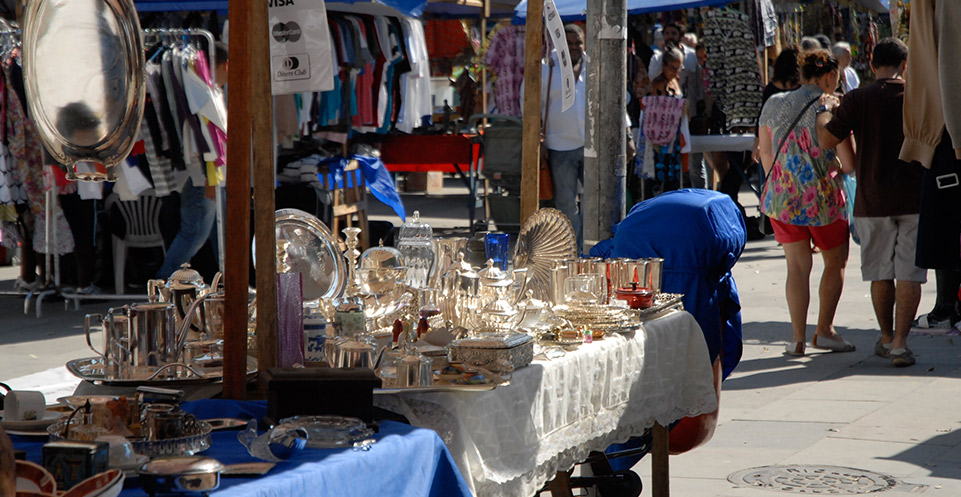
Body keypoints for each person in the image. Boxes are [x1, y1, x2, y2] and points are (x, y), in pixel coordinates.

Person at [818, 38, 923, 367]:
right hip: (915, 197)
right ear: (904, 65)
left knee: (880, 272)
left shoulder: (857, 98)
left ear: (872, 64)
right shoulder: (918, 97)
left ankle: (886, 336)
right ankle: (902, 345)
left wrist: (824, 111)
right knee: (910, 273)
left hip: (873, 198)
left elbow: (827, 140)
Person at [757, 49, 855, 356]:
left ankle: (797, 339)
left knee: (796, 268)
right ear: (829, 76)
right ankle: (824, 330)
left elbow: (765, 154)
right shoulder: (832, 106)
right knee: (835, 263)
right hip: (823, 200)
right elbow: (849, 163)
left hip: (782, 198)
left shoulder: (773, 103)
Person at [156, 41, 228, 280]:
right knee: (194, 234)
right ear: (226, 66)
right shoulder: (200, 89)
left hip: (209, 174)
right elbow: (201, 136)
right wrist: (209, 176)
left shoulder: (208, 88)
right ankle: (163, 281)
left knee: (217, 233)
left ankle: (228, 281)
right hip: (203, 175)